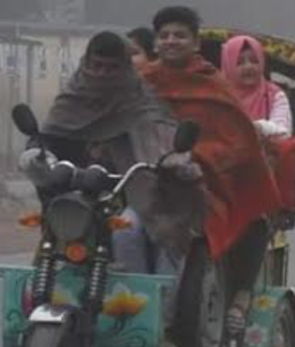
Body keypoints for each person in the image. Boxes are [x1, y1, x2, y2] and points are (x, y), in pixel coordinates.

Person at [140, 6, 283, 331]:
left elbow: (235, 140)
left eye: (180, 35)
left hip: (205, 184)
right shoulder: (142, 83)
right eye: (164, 36)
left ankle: (170, 314)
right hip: (144, 180)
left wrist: (202, 161)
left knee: (199, 229)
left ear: (195, 44)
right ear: (156, 44)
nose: (171, 41)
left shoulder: (212, 85)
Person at [18, 32, 202, 275]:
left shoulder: (141, 99)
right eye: (96, 65)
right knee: (52, 241)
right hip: (75, 193)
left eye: (111, 68)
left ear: (125, 68)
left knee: (130, 230)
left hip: (131, 193)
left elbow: (160, 144)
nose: (101, 73)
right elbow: (48, 138)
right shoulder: (71, 98)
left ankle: (146, 301)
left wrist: (171, 163)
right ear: (86, 62)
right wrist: (36, 155)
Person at [221, 34, 292, 137]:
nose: (248, 67)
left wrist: (261, 127)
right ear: (228, 66)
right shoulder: (216, 93)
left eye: (254, 61)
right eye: (240, 62)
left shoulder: (275, 95)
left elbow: (284, 133)